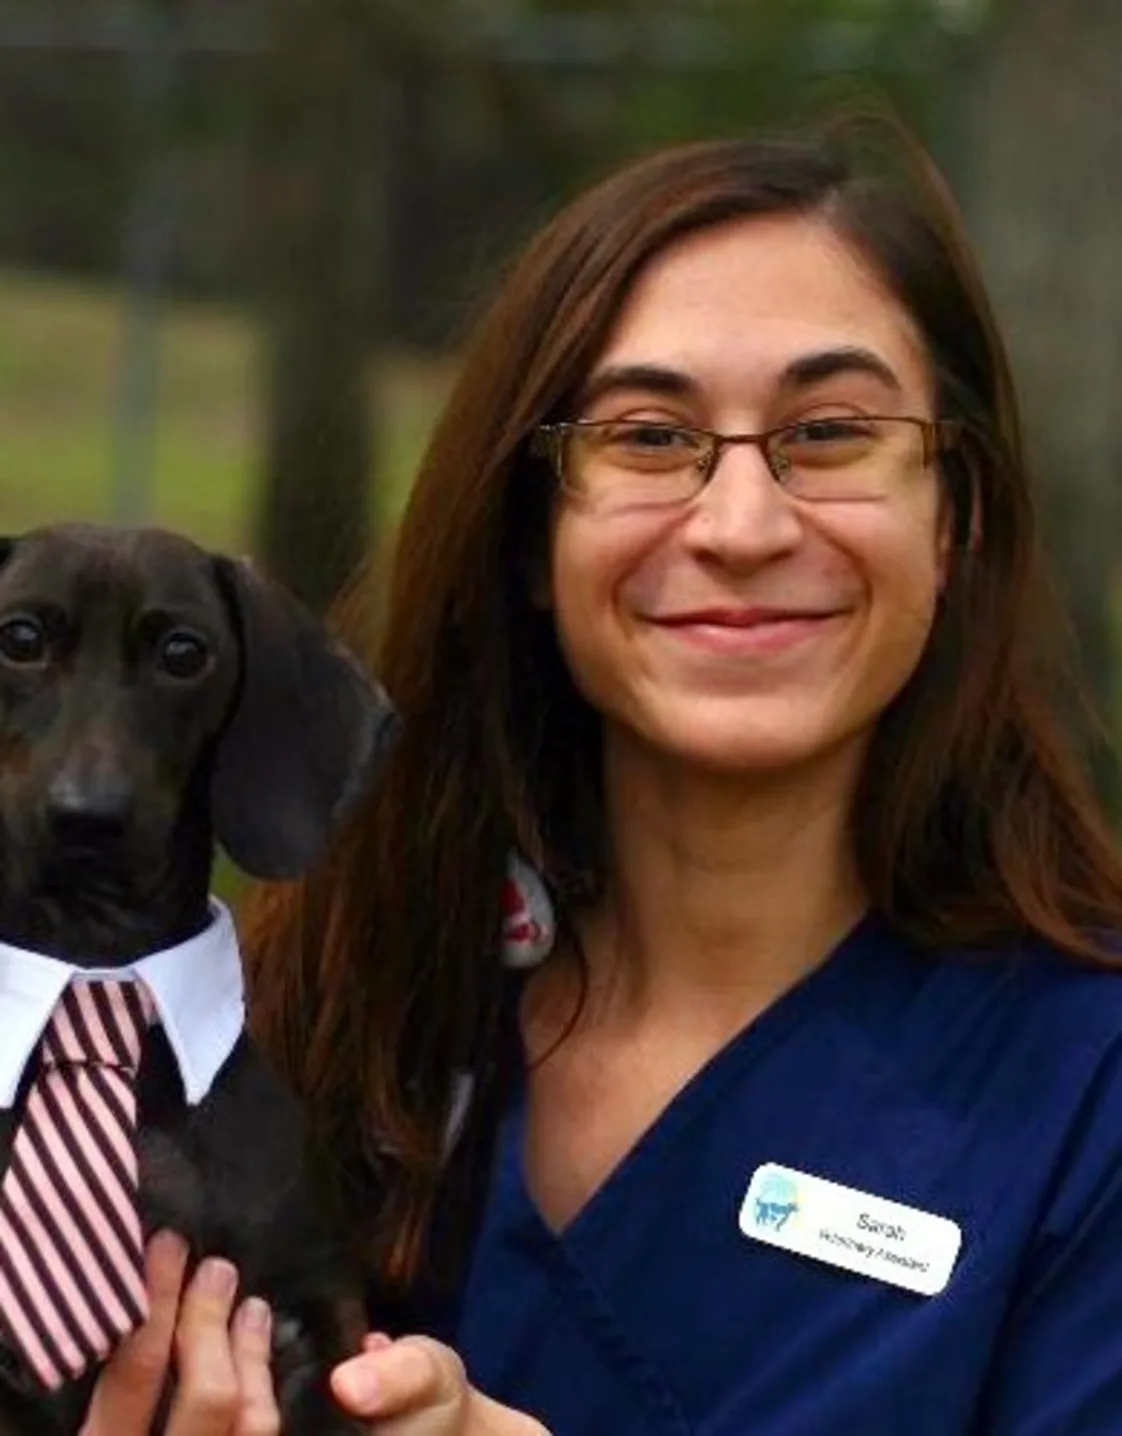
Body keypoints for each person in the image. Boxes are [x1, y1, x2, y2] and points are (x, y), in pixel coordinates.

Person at [83, 120, 1122, 1433]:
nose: (741, 527)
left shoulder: (1084, 1093)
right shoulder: (296, 1016)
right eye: (646, 437)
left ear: (953, 516)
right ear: (531, 531)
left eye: (829, 433)